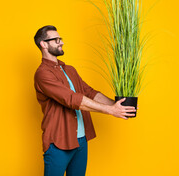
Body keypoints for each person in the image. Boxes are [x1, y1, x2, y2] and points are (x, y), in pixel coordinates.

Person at [33, 25, 136, 176]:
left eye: (60, 39)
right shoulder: (42, 74)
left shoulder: (69, 70)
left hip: (81, 142)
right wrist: (111, 111)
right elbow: (72, 99)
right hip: (59, 142)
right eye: (56, 40)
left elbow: (89, 92)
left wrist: (117, 105)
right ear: (44, 44)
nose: (61, 42)